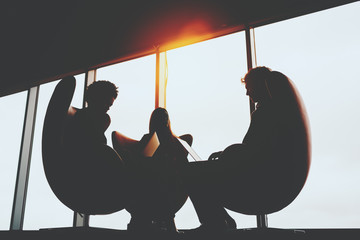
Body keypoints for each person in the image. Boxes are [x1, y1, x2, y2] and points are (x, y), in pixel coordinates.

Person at [181, 66, 310, 235]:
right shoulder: (276, 111)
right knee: (200, 171)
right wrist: (227, 155)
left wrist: (227, 154)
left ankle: (215, 222)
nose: (247, 93)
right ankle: (222, 221)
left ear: (260, 84)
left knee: (190, 172)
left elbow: (254, 153)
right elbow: (257, 150)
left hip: (262, 182)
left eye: (249, 87)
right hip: (270, 177)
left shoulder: (266, 113)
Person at [125, 107, 192, 234]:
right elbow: (140, 161)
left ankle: (140, 221)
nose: (163, 122)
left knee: (157, 177)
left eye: (164, 119)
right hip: (159, 183)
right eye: (160, 120)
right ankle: (169, 223)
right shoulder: (152, 140)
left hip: (167, 183)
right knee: (155, 177)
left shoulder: (173, 142)